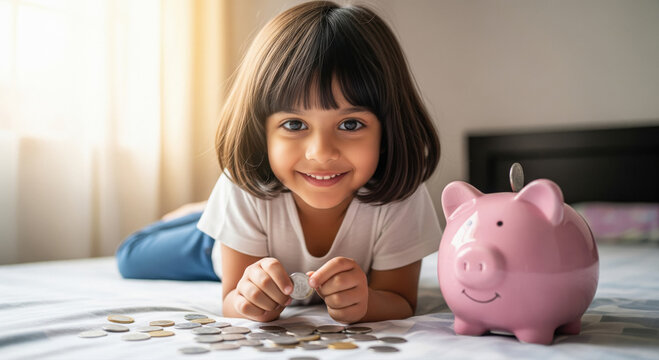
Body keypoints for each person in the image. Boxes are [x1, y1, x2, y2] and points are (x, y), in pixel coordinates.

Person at [116, 0, 441, 324]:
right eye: (295, 124)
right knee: (130, 258)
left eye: (350, 124)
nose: (321, 153)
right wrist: (249, 301)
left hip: (264, 208)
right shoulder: (244, 189)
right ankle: (208, 219)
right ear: (262, 131)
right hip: (236, 230)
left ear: (388, 128)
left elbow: (399, 300)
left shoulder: (402, 195)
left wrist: (367, 302)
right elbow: (232, 299)